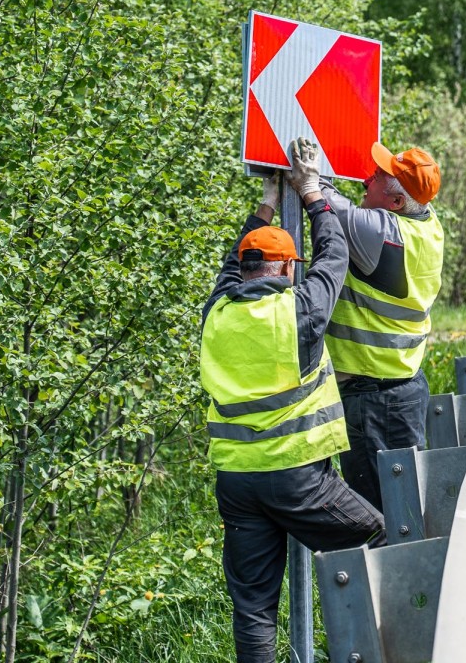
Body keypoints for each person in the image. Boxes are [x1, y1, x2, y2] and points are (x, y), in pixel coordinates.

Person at [199, 139, 386, 663]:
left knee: (254, 606)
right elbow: (335, 255)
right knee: (371, 534)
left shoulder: (216, 313)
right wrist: (311, 193)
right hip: (298, 478)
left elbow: (229, 265)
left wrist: (266, 201)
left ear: (244, 269)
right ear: (285, 270)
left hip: (237, 482)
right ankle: (359, 650)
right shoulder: (299, 313)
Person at [317, 140, 445, 511]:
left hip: (376, 401)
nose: (365, 181)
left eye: (375, 178)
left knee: (380, 516)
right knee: (398, 509)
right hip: (397, 391)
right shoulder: (427, 224)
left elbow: (320, 194)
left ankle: (397, 572)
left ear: (396, 203)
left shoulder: (382, 234)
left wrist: (313, 170)